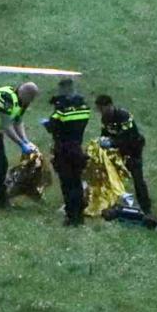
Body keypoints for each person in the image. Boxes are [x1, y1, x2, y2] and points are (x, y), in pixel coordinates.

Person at [95, 95, 153, 217]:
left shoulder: (124, 116)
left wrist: (113, 142)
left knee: (138, 179)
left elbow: (129, 136)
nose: (101, 112)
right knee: (110, 177)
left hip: (133, 149)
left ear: (109, 105)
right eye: (99, 109)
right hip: (119, 151)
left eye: (102, 108)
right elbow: (105, 133)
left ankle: (146, 208)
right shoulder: (105, 119)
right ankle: (111, 204)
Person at [43, 79, 91, 226]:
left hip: (63, 150)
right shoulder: (84, 106)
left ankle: (71, 217)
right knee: (77, 183)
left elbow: (53, 126)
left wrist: (48, 121)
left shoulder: (62, 108)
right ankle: (80, 216)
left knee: (67, 184)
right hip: (77, 148)